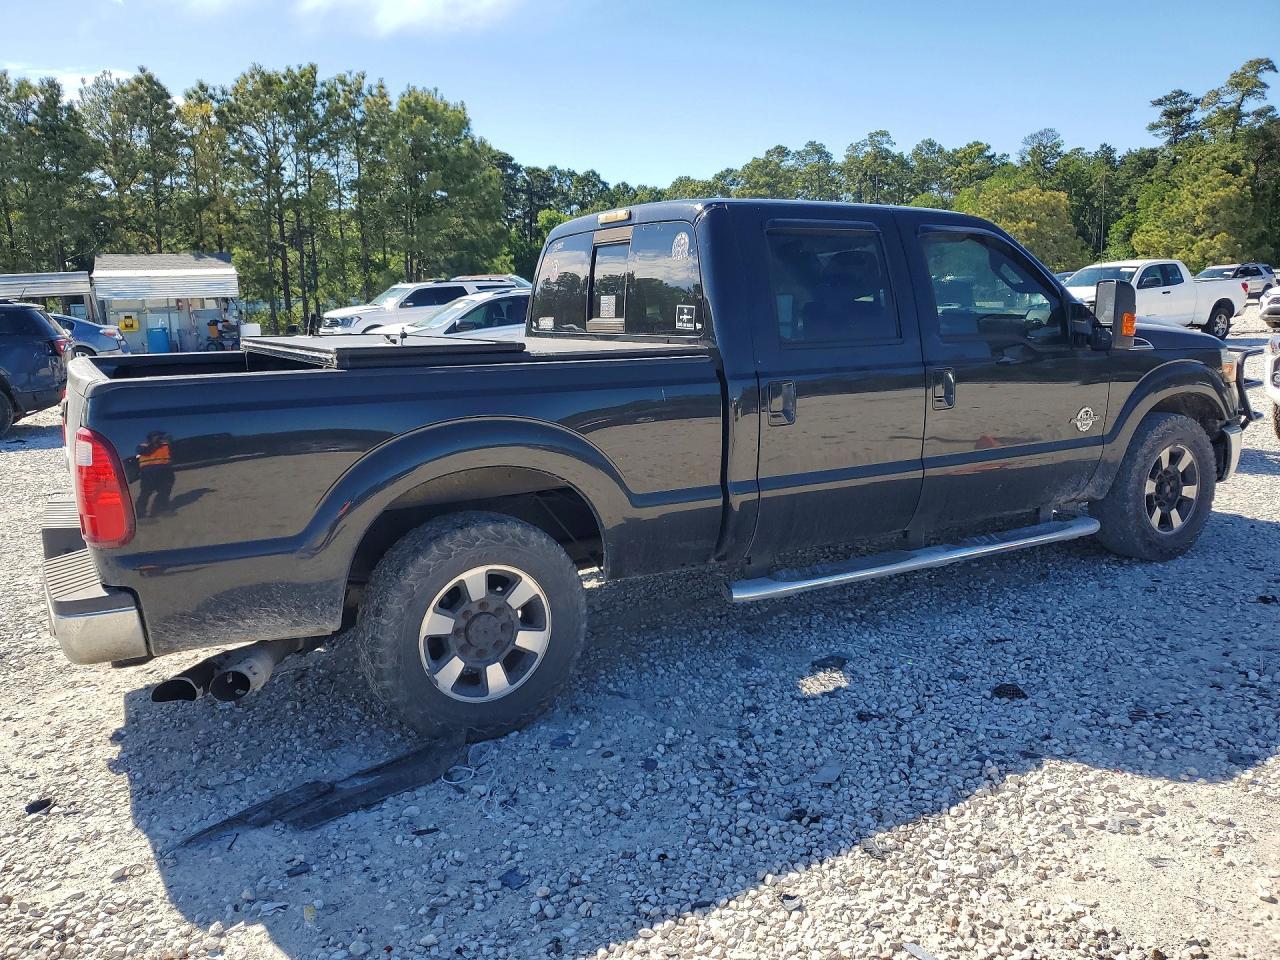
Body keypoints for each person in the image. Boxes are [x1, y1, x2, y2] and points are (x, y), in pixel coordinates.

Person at [135, 431, 175, 518]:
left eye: (161, 436)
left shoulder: (165, 445)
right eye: (157, 436)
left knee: (164, 491)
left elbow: (172, 443)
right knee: (145, 493)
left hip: (165, 471)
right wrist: (154, 444)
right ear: (151, 438)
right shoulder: (143, 445)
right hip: (148, 473)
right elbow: (142, 451)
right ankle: (141, 515)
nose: (160, 438)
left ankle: (161, 509)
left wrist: (168, 440)